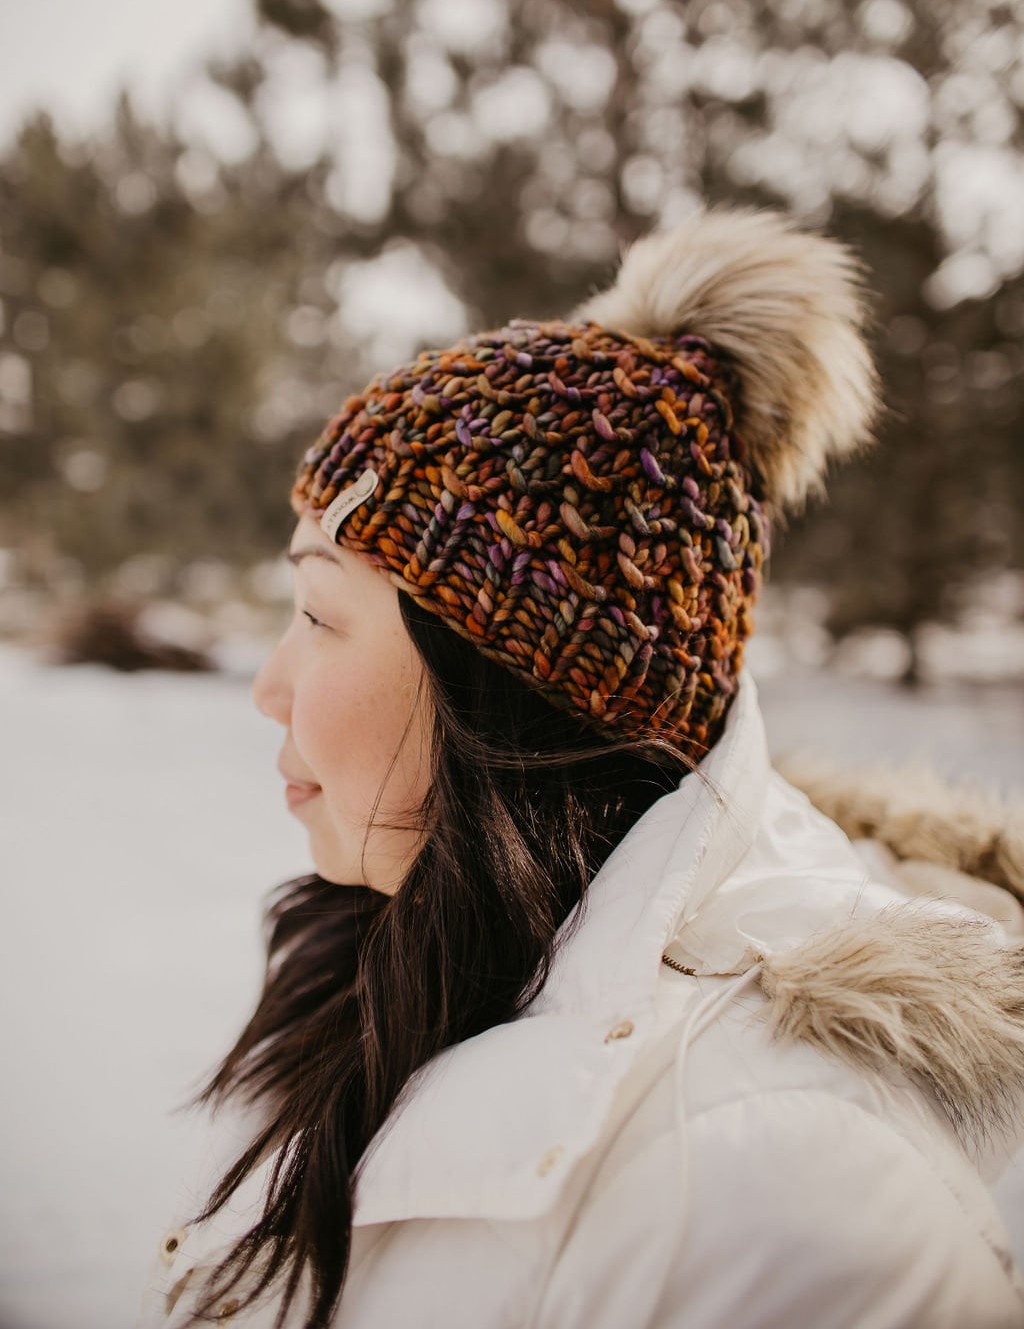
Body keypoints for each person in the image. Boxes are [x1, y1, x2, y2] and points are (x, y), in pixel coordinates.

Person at [136, 206, 1024, 1329]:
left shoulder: (783, 1193)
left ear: (508, 682)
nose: (269, 685)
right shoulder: (409, 955)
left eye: (319, 613)